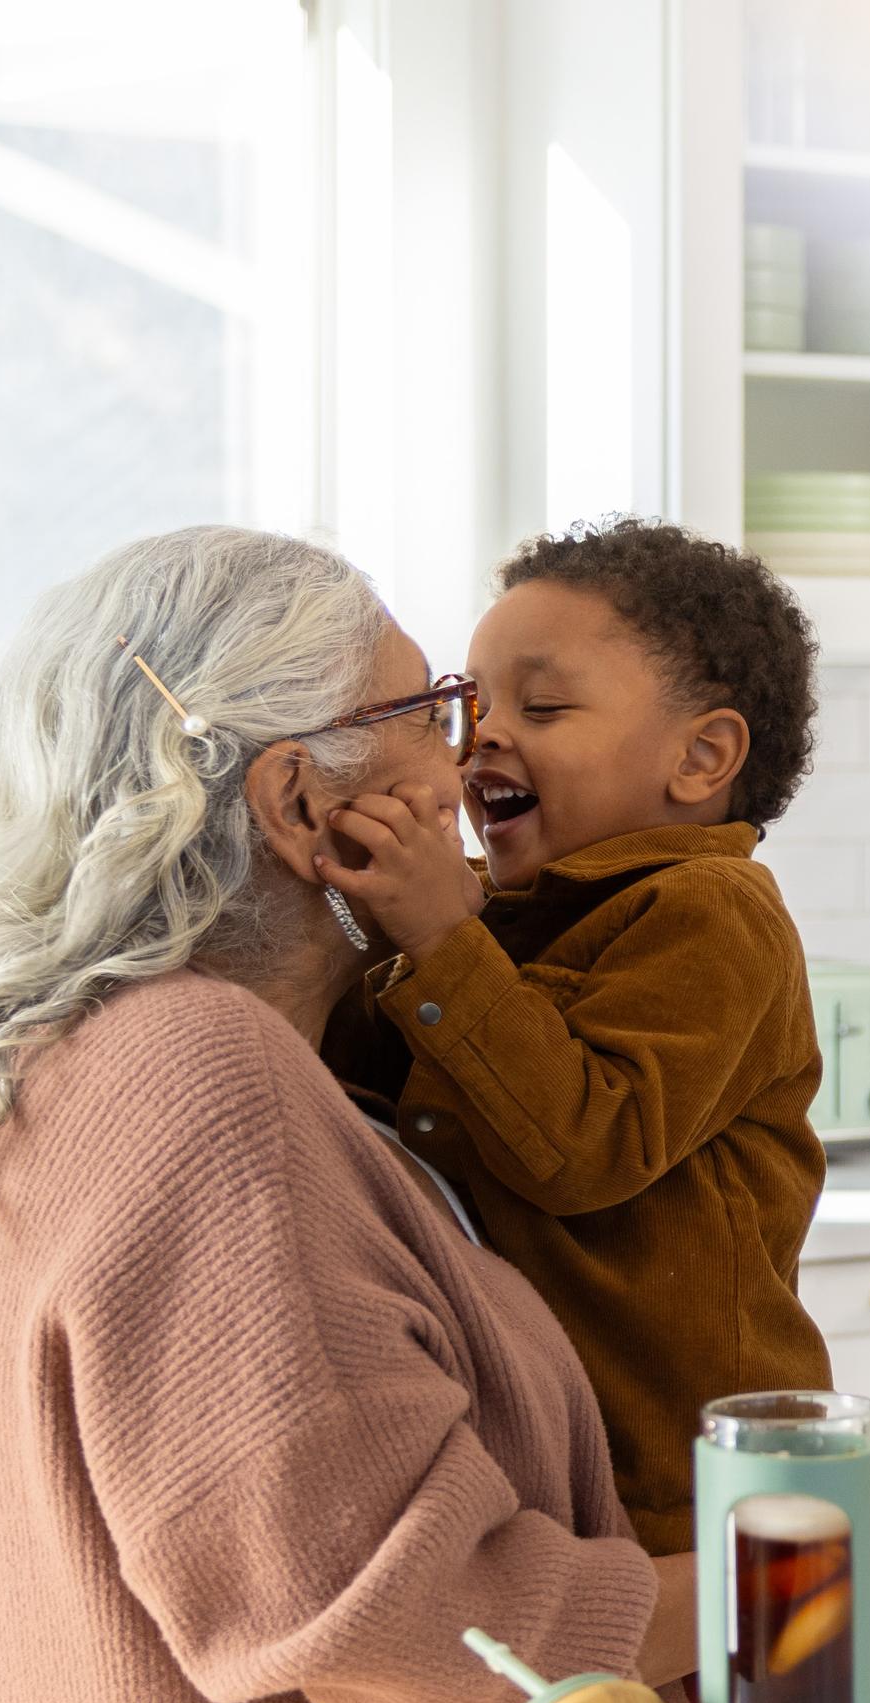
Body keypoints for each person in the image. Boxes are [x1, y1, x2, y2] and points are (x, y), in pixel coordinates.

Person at [0, 527, 686, 1703]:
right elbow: (429, 1632)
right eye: (431, 711)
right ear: (303, 803)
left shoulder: (62, 1059)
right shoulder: (198, 1077)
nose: (471, 762)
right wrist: (762, 1578)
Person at [316, 519, 832, 1553]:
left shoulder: (713, 914)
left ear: (701, 756)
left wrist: (438, 935)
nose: (484, 739)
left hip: (688, 1497)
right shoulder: (488, 922)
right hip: (547, 1472)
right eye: (474, 705)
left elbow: (586, 1144)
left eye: (542, 706)